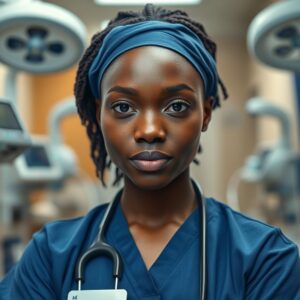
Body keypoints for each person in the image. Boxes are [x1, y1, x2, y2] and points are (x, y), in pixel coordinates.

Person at [1, 3, 300, 300]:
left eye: (177, 106)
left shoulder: (265, 258)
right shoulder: (50, 256)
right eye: (123, 107)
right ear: (98, 114)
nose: (149, 131)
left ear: (206, 113)